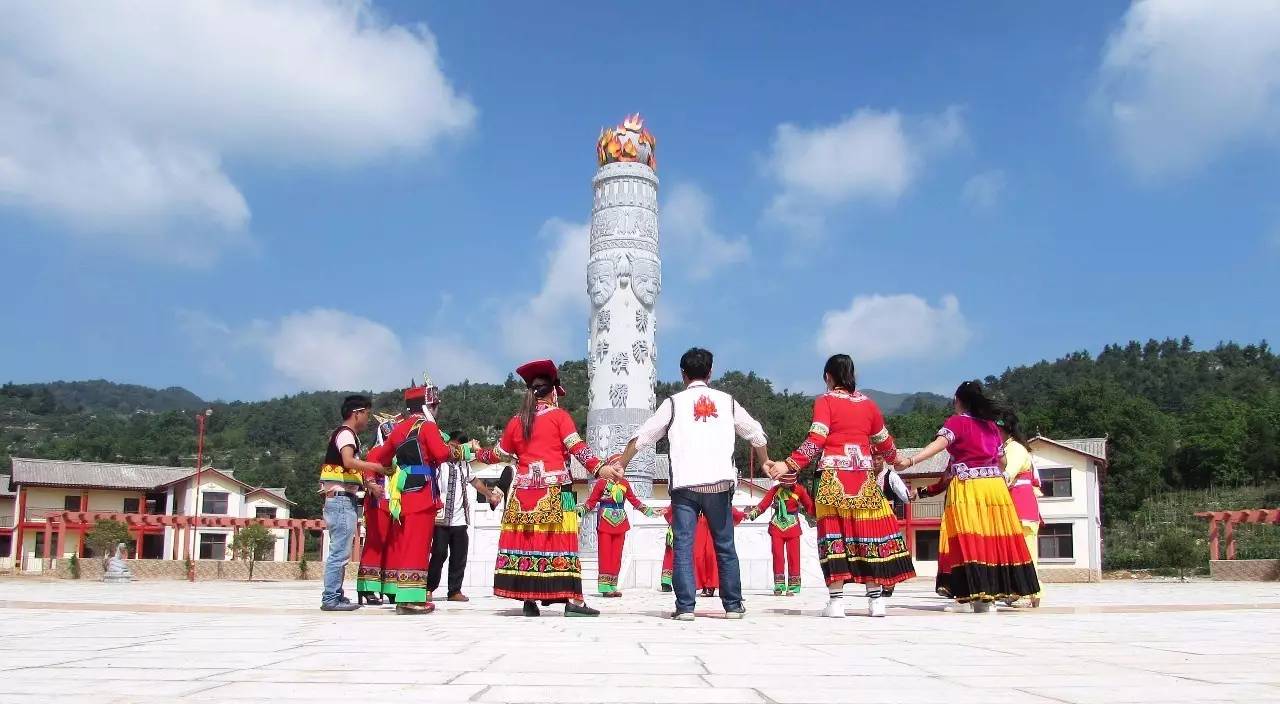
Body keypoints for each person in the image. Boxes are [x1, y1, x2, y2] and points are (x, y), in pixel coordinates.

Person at [615, 347, 770, 621]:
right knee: (725, 545)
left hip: (685, 486)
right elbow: (755, 433)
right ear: (710, 372)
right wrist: (765, 462)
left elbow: (643, 435)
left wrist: (623, 464)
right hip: (719, 485)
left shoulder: (673, 403)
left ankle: (686, 606)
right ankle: (733, 605)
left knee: (684, 545)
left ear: (683, 374)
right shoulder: (727, 401)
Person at [771, 354, 915, 618]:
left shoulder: (825, 401)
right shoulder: (869, 405)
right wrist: (900, 460)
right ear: (853, 375)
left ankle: (836, 602)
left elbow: (816, 439)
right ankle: (876, 601)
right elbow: (885, 442)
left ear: (828, 376)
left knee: (834, 536)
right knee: (867, 534)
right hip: (863, 477)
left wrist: (789, 464)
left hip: (833, 476)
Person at [895, 380, 1040, 612]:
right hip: (994, 490)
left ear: (959, 400)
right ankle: (989, 598)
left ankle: (971, 597)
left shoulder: (957, 423)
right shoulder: (991, 426)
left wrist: (910, 461)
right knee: (992, 540)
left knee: (968, 538)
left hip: (968, 487)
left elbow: (939, 445)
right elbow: (1001, 461)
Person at [490, 359, 617, 617]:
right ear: (553, 392)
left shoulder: (516, 422)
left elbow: (496, 454)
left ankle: (529, 600)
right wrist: (600, 468)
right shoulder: (559, 417)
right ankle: (574, 602)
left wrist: (465, 451)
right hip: (557, 492)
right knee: (563, 545)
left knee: (527, 545)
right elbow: (578, 448)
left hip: (522, 495)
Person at [365, 383, 474, 615]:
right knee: (419, 545)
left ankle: (403, 594)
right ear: (427, 406)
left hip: (405, 492)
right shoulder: (427, 427)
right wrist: (463, 451)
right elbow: (442, 454)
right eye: (435, 406)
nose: (436, 410)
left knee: (406, 543)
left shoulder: (399, 429)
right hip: (423, 491)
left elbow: (384, 458)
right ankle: (411, 598)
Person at [319, 394, 391, 612]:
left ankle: (337, 594)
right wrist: (376, 468)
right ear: (357, 413)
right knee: (339, 552)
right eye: (367, 413)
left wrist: (369, 486)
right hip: (340, 499)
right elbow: (349, 461)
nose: (368, 418)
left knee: (341, 550)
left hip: (344, 498)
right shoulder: (346, 435)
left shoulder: (347, 435)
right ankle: (330, 597)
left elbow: (349, 470)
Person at [427, 432, 503, 603]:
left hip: (460, 518)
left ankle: (454, 591)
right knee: (439, 554)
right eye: (454, 446)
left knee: (459, 555)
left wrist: (489, 495)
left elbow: (475, 482)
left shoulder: (464, 465)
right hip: (441, 517)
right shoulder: (439, 463)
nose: (455, 450)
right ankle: (429, 588)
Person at [579, 474, 658, 597]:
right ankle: (605, 587)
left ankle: (613, 585)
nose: (618, 469)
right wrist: (579, 511)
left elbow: (634, 501)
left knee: (617, 555)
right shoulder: (601, 483)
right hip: (605, 521)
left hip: (620, 522)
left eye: (621, 467)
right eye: (615, 466)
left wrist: (650, 512)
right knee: (605, 554)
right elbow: (592, 501)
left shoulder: (624, 483)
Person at [999, 411, 1043, 608]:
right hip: (1013, 505)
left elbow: (1008, 474)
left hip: (1021, 505)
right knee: (1014, 551)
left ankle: (1031, 590)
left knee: (1026, 550)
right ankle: (1019, 589)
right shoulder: (1006, 448)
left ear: (1005, 430)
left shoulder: (1015, 449)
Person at [746, 481, 815, 596]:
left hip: (793, 526)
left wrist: (822, 515)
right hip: (777, 525)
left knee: (794, 556)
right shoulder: (775, 489)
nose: (786, 484)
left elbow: (809, 506)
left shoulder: (800, 490)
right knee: (778, 555)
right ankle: (779, 584)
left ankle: (794, 586)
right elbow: (764, 504)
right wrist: (753, 514)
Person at [693, 508, 747, 597]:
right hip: (700, 524)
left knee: (711, 555)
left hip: (714, 523)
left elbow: (724, 502)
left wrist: (739, 514)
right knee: (699, 556)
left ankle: (710, 585)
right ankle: (703, 584)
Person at [659, 510, 674, 592]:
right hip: (682, 531)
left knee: (669, 557)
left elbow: (667, 513)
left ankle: (665, 582)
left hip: (672, 529)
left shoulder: (673, 503)